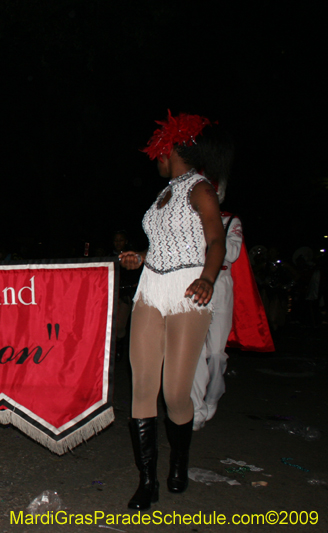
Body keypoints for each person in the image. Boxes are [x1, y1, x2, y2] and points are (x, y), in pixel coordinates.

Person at [119, 110, 230, 510]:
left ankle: (179, 461)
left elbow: (215, 240)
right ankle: (147, 479)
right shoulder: (163, 194)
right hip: (151, 288)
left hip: (188, 290)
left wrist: (208, 278)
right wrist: (141, 257)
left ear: (171, 149)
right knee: (143, 386)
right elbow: (169, 246)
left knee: (176, 393)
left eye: (158, 153)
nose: (155, 160)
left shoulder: (200, 188)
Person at [190, 207, 242, 431]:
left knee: (217, 354)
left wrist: (212, 230)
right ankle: (196, 409)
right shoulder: (192, 217)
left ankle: (212, 398)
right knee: (196, 351)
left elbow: (232, 253)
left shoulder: (231, 220)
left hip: (221, 284)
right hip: (197, 281)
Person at [112, 230, 141, 359]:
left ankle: (119, 347)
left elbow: (137, 274)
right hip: (111, 292)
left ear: (126, 241)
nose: (118, 243)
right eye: (116, 240)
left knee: (119, 324)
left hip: (125, 294)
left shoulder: (132, 256)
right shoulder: (109, 256)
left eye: (121, 240)